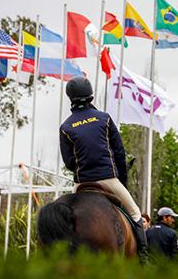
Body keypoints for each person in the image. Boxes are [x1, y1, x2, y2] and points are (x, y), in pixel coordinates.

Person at [59, 76, 148, 261]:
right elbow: (119, 153)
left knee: (62, 220)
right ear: (91, 96)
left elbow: (69, 162)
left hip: (81, 183)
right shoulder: (104, 119)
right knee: (136, 213)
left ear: (70, 98)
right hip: (108, 178)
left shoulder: (66, 127)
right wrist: (121, 180)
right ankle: (144, 259)